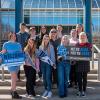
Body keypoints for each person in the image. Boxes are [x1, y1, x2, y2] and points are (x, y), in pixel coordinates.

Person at [1, 32, 22, 99]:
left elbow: (21, 53)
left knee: (14, 78)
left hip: (17, 63)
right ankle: (14, 92)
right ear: (9, 36)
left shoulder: (18, 44)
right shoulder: (6, 44)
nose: (14, 37)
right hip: (10, 63)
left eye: (15, 36)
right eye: (12, 36)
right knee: (14, 78)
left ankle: (12, 91)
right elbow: (3, 53)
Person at [76, 32, 92, 97]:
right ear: (79, 37)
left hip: (85, 63)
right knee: (79, 78)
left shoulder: (88, 44)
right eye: (81, 36)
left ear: (85, 37)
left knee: (84, 78)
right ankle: (80, 90)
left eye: (83, 36)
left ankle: (84, 91)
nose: (82, 37)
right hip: (78, 63)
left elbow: (90, 53)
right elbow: (74, 53)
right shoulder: (77, 44)